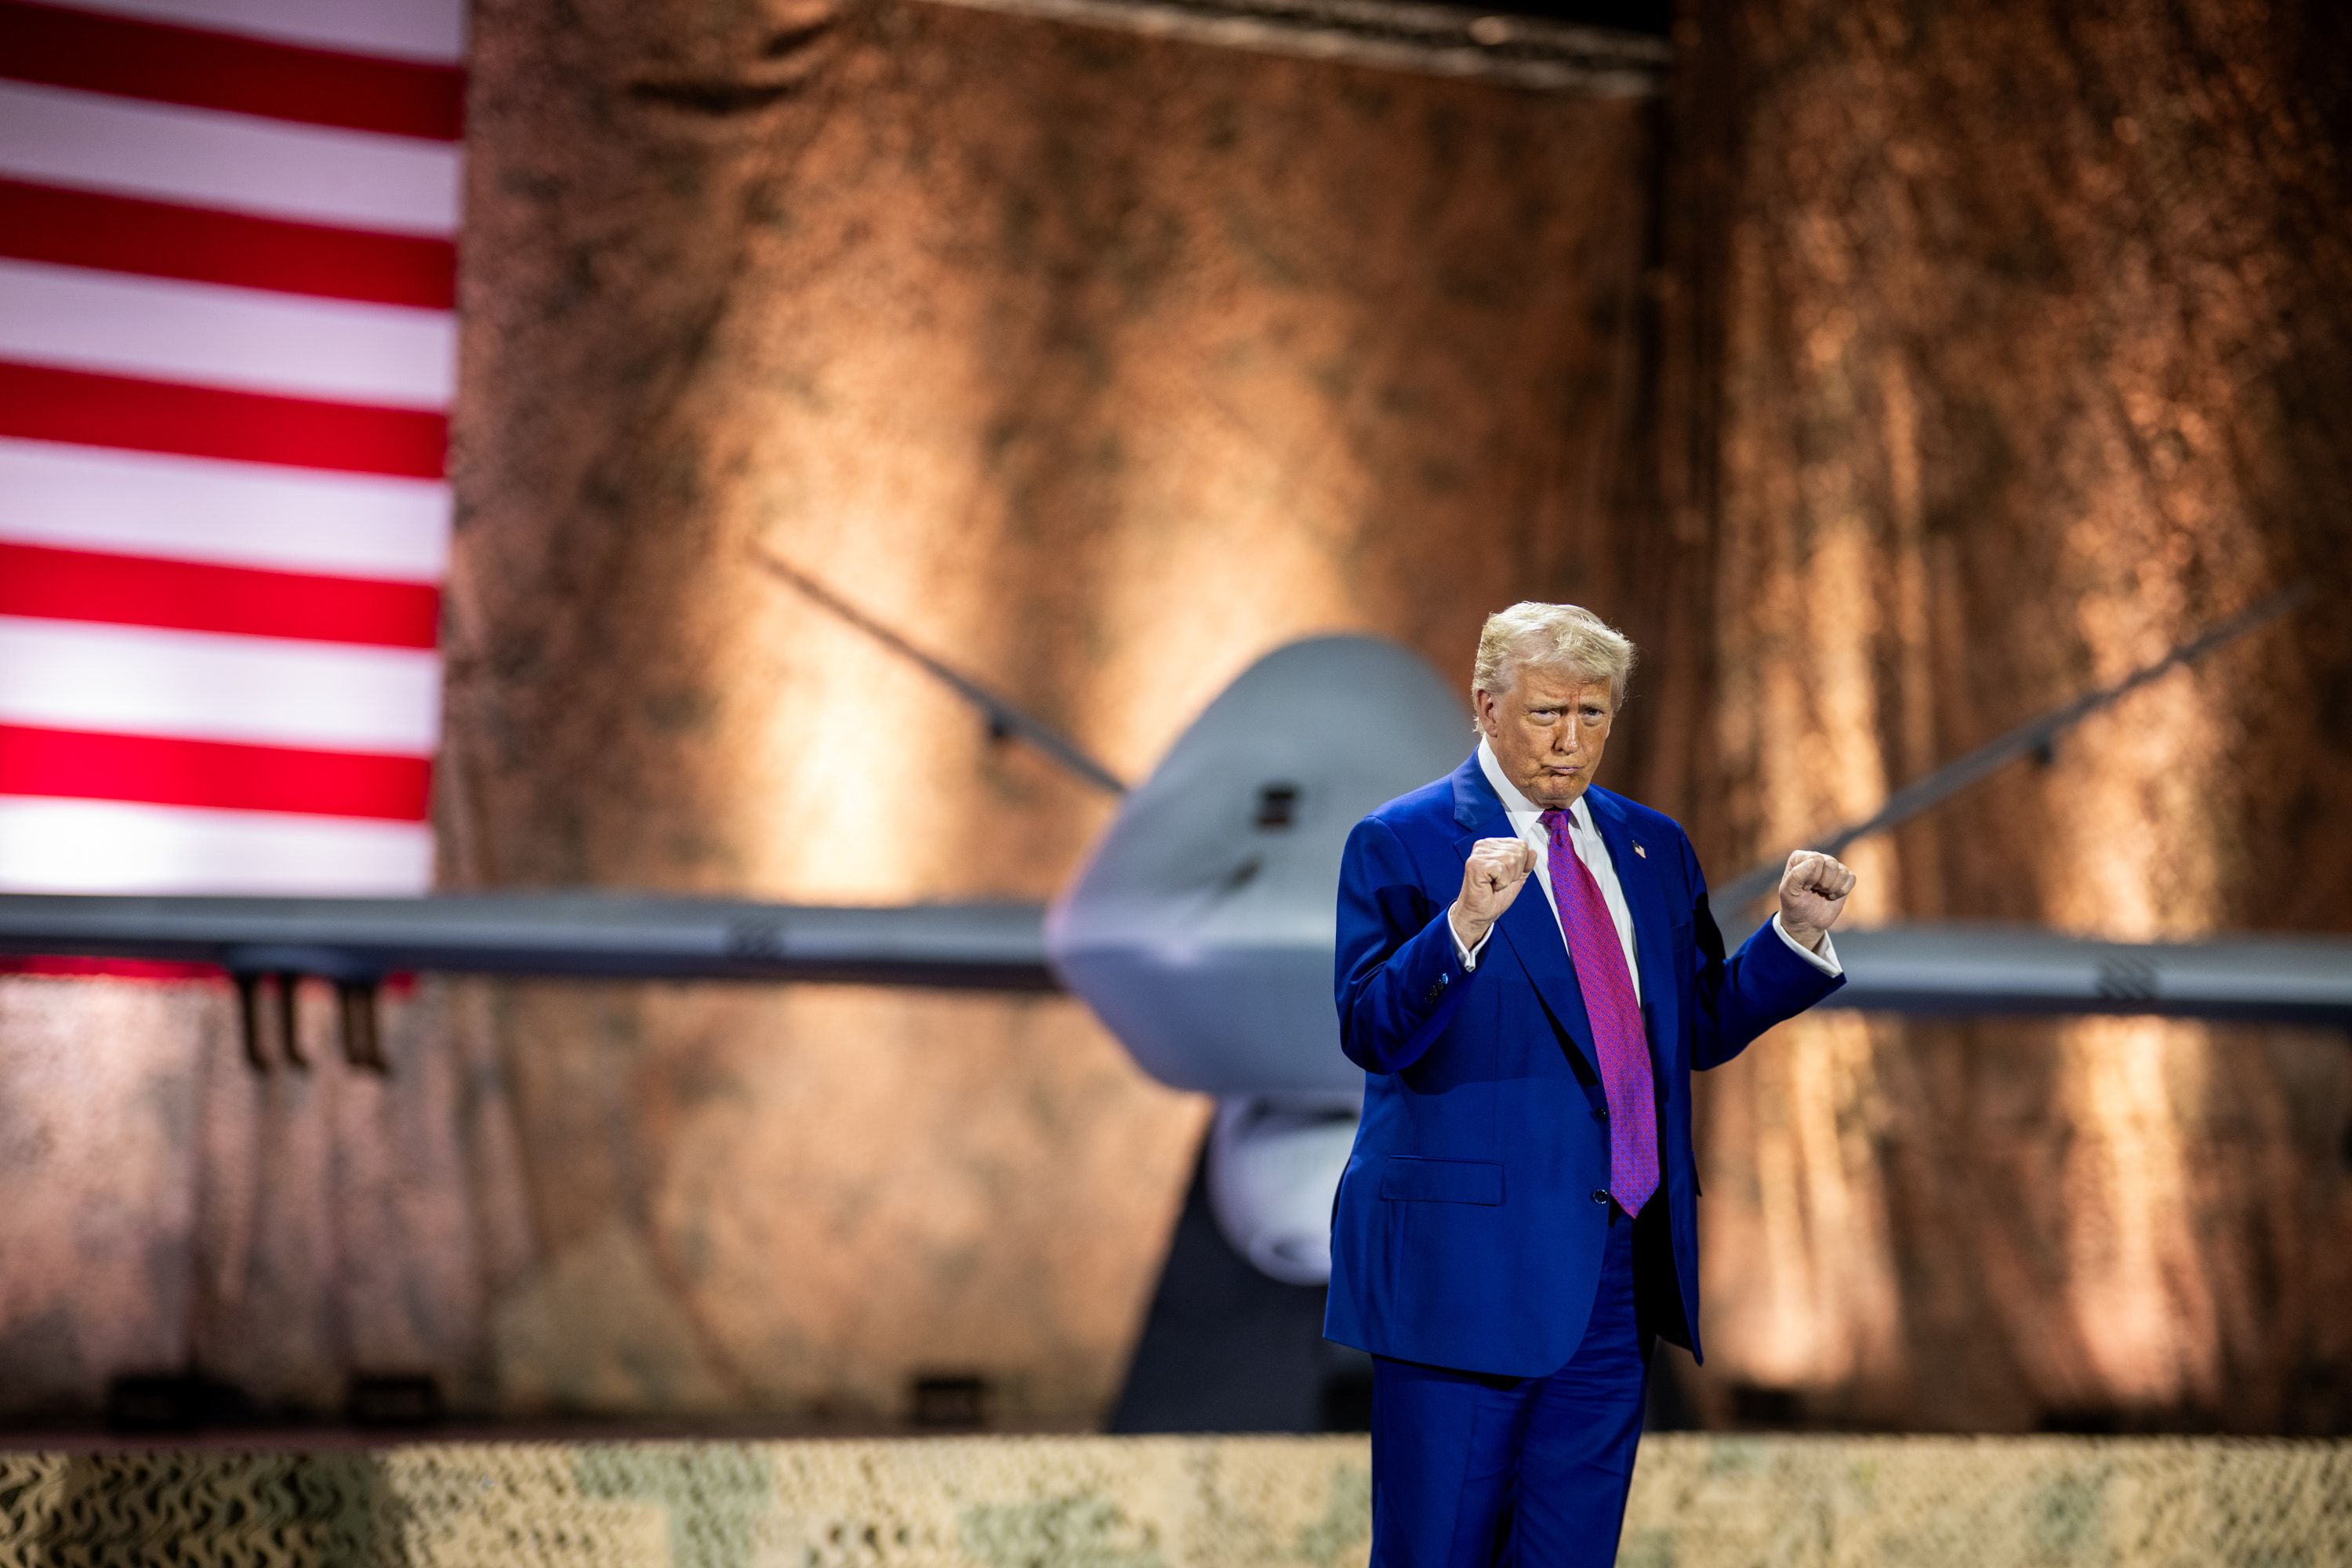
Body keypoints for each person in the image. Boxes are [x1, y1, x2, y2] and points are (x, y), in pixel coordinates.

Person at [1324, 601, 1856, 1567]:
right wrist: (1462, 926)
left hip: (1617, 1274)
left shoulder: (1653, 846)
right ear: (1487, 707)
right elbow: (1370, 1028)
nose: (1571, 740)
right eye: (1546, 713)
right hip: (1465, 1277)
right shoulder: (1402, 840)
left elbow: (1692, 1027)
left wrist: (1792, 937)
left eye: (1593, 713)